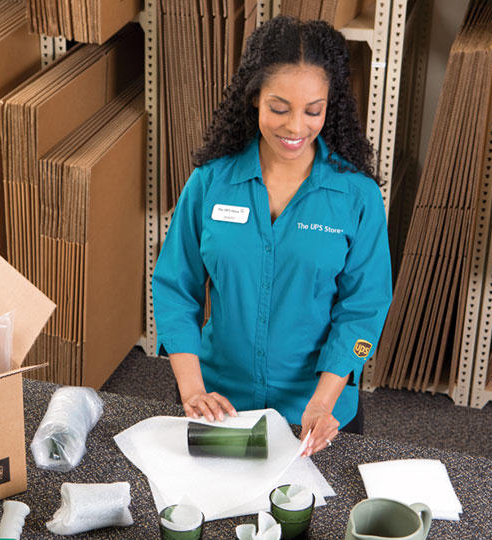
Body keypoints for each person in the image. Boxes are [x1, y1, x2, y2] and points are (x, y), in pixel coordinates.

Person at [152, 16, 393, 457]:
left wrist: (322, 402)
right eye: (279, 108)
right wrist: (191, 389)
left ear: (330, 106)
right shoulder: (210, 183)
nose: (295, 127)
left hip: (315, 414)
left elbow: (363, 311)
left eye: (313, 110)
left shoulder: (357, 197)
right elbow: (174, 287)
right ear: (254, 99)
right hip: (220, 405)